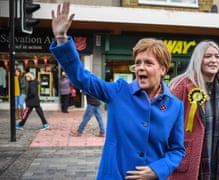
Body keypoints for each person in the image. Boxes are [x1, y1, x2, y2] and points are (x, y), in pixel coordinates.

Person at [49, 2, 185, 179]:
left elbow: (177, 150)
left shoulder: (175, 106)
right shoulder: (119, 91)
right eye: (137, 63)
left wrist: (158, 170)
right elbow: (82, 78)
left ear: (163, 69)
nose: (141, 68)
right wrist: (61, 38)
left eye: (148, 63)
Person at [168, 40, 219, 180]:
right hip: (190, 158)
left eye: (217, 56)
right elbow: (165, 123)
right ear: (198, 60)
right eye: (207, 56)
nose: (213, 60)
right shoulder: (181, 86)